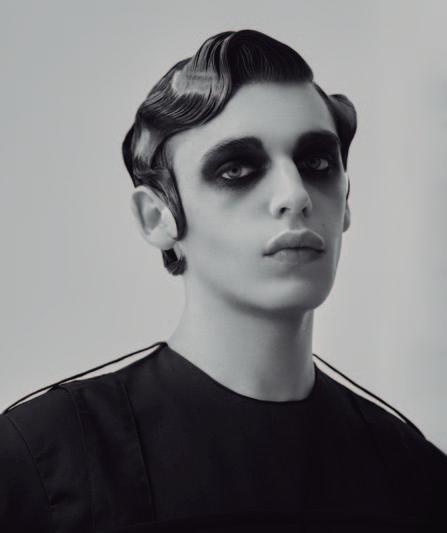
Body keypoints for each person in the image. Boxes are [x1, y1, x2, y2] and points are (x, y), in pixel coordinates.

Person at [0, 29, 446, 533]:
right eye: (237, 169)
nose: (295, 195)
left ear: (346, 201)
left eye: (317, 163)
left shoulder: (417, 477)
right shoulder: (40, 460)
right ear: (157, 217)